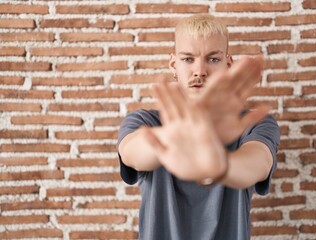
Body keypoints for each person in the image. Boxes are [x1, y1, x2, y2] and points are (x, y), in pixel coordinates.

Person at [117, 14, 280, 240]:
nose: (200, 71)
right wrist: (176, 135)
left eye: (213, 59)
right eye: (188, 59)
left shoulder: (253, 123)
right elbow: (131, 153)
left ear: (228, 65)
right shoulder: (144, 121)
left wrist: (220, 165)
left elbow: (258, 163)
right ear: (173, 65)